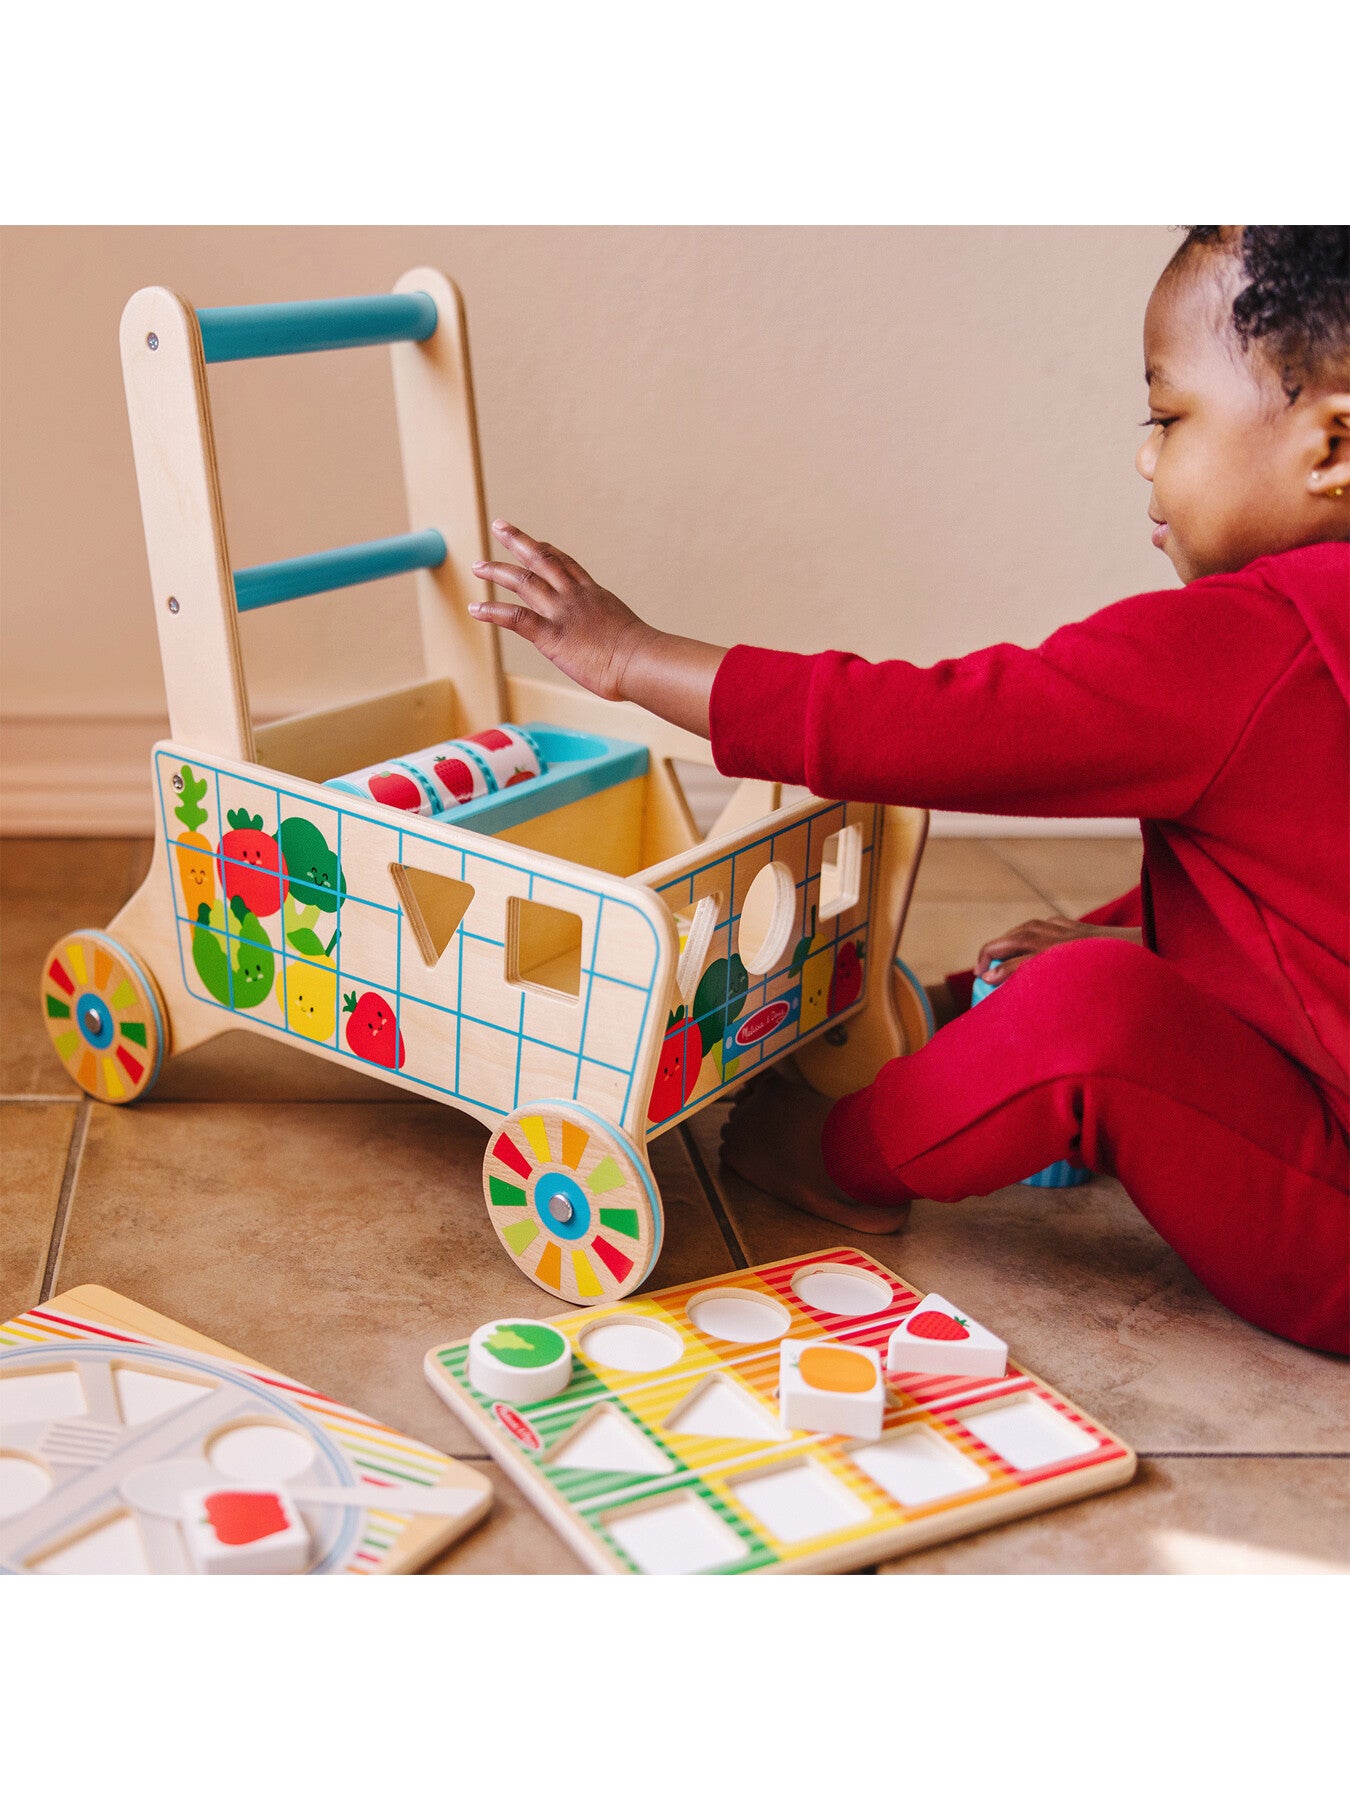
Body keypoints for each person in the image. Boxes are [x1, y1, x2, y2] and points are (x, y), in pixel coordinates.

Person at [469, 226, 1349, 1355]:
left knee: (1090, 1011)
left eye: (1167, 419)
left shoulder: (1246, 641)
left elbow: (943, 722)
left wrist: (636, 657)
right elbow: (1300, 897)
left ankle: (833, 1153)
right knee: (1130, 929)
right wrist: (1138, 935)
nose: (1145, 460)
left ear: (1331, 446)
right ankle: (937, 1016)